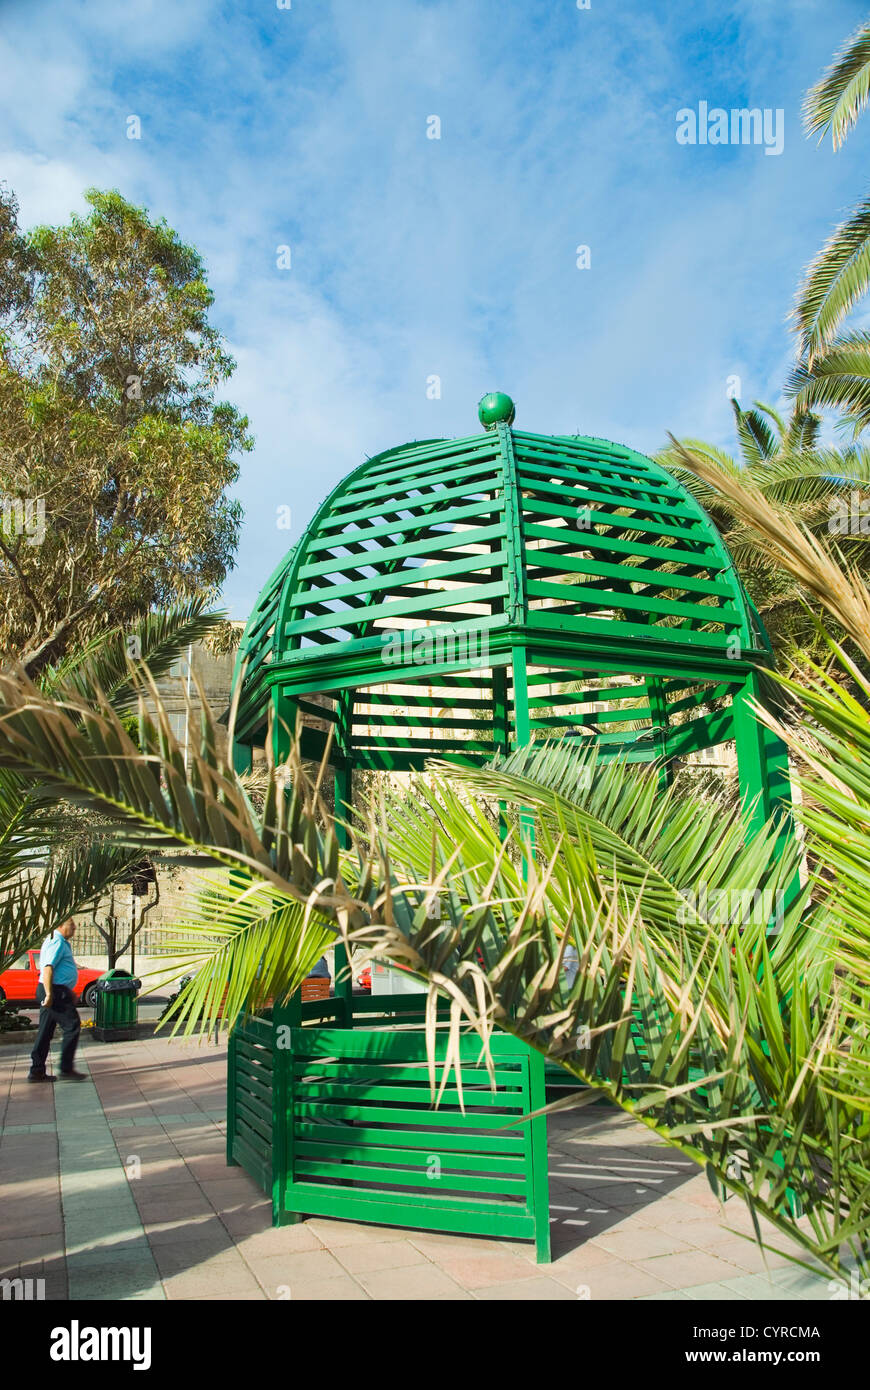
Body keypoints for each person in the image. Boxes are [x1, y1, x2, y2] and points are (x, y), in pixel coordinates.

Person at [28, 919, 86, 1082]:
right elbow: (47, 968)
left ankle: (36, 1070)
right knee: (72, 1026)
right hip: (54, 991)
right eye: (71, 926)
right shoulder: (57, 941)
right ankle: (66, 1069)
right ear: (60, 926)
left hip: (57, 990)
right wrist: (49, 994)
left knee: (45, 1031)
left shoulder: (59, 941)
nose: (74, 929)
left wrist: (68, 991)